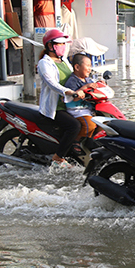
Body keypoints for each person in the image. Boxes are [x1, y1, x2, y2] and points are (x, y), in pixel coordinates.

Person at [37, 29, 80, 167]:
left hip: (69, 104)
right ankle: (58, 157)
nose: (63, 46)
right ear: (50, 46)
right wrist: (68, 92)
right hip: (55, 107)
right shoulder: (44, 63)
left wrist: (93, 82)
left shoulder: (64, 62)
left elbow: (76, 75)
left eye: (64, 44)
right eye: (59, 44)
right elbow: (52, 84)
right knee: (74, 126)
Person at [64, 53, 100, 142]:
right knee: (90, 124)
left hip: (89, 109)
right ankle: (77, 141)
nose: (89, 69)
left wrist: (100, 84)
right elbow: (74, 97)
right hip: (78, 111)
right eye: (87, 66)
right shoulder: (72, 81)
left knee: (105, 123)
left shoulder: (87, 79)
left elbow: (94, 87)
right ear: (77, 67)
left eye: (90, 66)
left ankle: (93, 141)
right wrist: (84, 88)